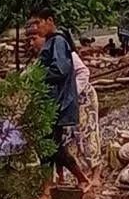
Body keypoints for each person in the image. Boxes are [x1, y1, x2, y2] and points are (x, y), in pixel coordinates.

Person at [27, 7, 91, 199]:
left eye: (38, 24)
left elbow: (60, 69)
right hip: (53, 103)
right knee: (51, 147)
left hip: (58, 104)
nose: (35, 29)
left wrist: (36, 76)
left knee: (51, 147)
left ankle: (73, 183)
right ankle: (54, 188)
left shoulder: (58, 42)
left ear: (49, 21)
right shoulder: (54, 42)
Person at [28, 31, 102, 183]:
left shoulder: (64, 53)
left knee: (86, 134)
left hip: (82, 97)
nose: (31, 43)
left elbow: (83, 72)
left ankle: (95, 176)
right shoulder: (43, 58)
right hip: (61, 101)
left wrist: (71, 92)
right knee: (63, 139)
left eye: (35, 38)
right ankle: (61, 177)